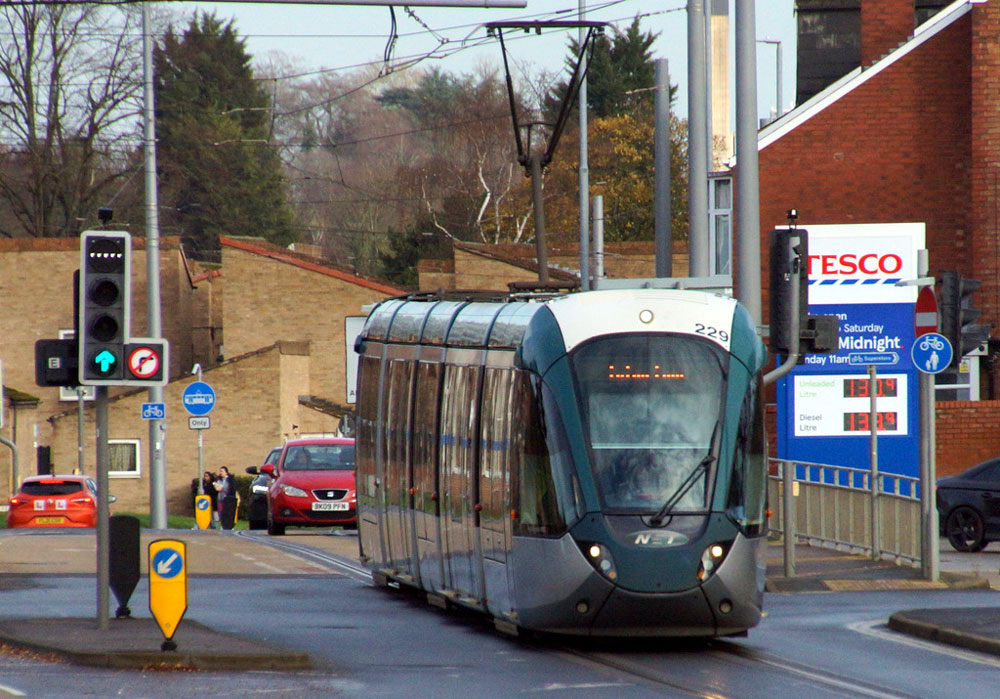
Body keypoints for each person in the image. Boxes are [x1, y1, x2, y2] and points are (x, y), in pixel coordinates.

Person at [216, 466, 238, 530]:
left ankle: (229, 525)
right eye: (220, 471)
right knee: (221, 512)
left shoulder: (229, 480)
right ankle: (222, 525)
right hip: (220, 498)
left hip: (228, 499)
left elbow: (230, 488)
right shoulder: (219, 480)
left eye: (222, 471)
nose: (221, 473)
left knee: (228, 512)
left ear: (226, 472)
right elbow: (217, 488)